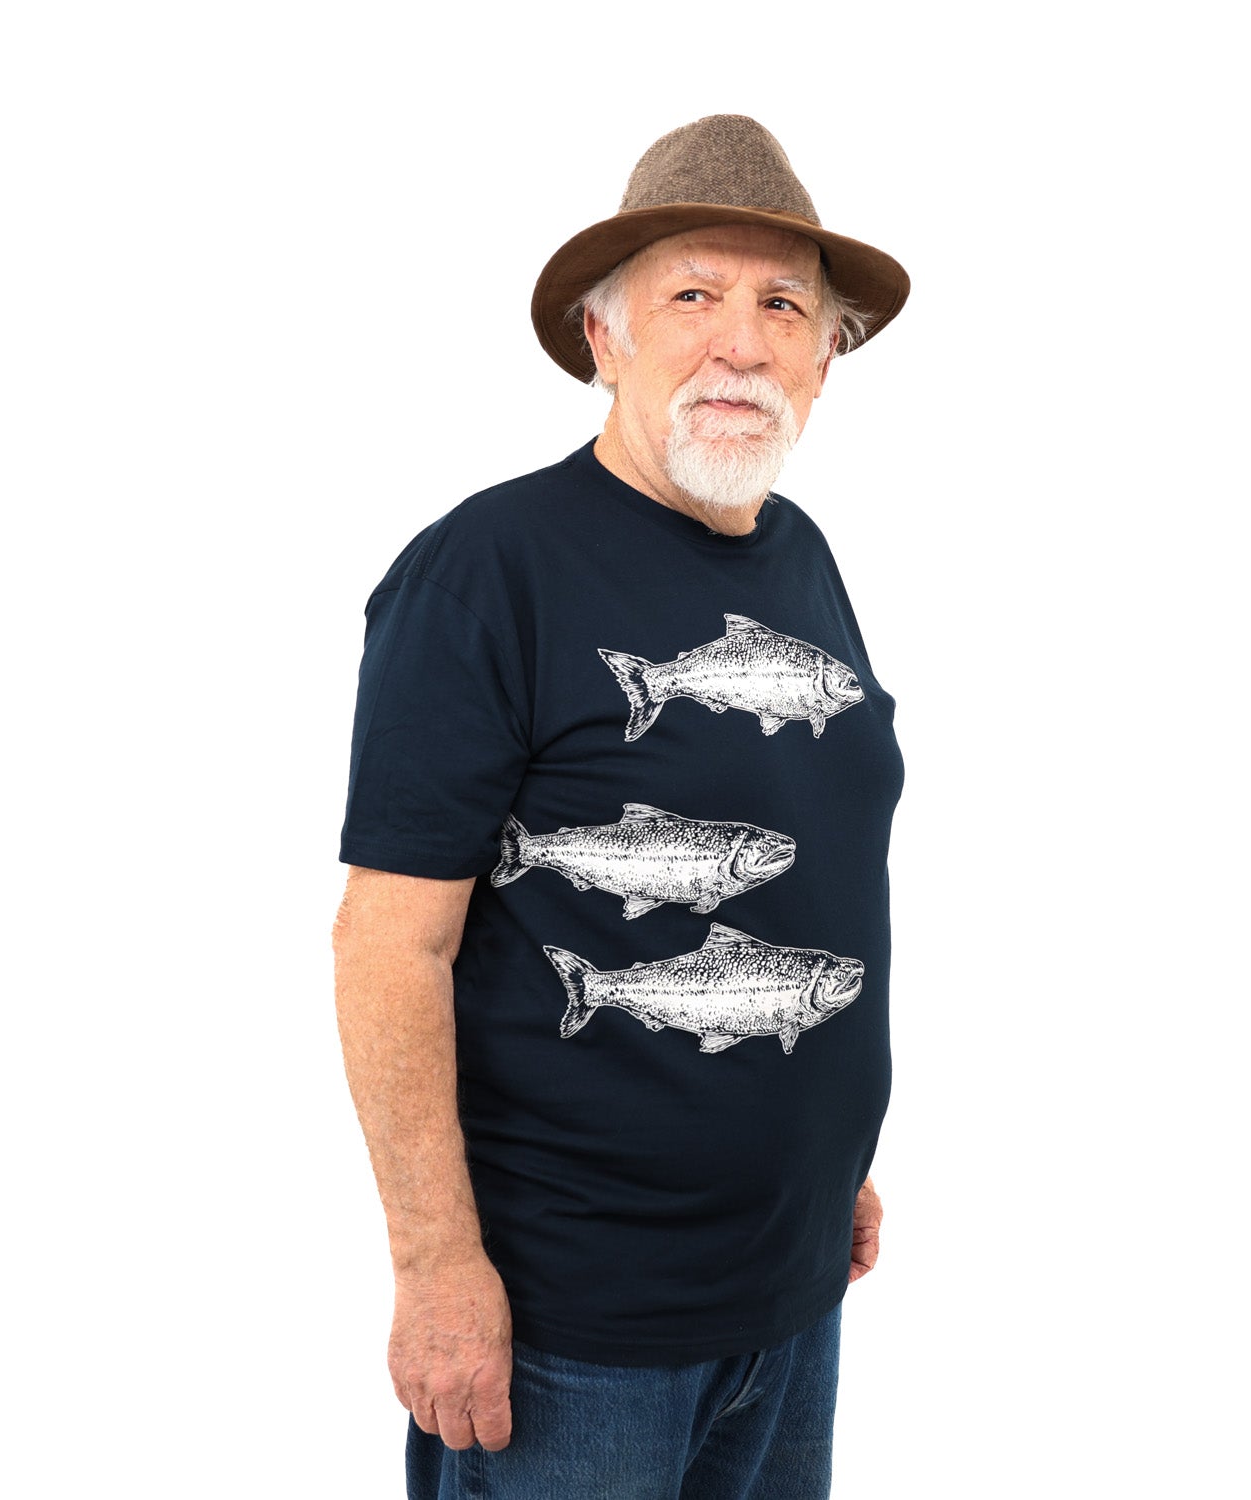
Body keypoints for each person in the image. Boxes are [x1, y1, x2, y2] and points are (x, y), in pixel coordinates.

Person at [333, 114, 910, 1499]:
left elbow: (809, 867)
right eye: (692, 296)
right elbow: (387, 944)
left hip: (792, 1294)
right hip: (574, 1339)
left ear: (825, 360)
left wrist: (826, 1158)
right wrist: (437, 1271)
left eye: (784, 305)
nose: (741, 340)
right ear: (606, 339)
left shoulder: (802, 554)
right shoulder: (486, 571)